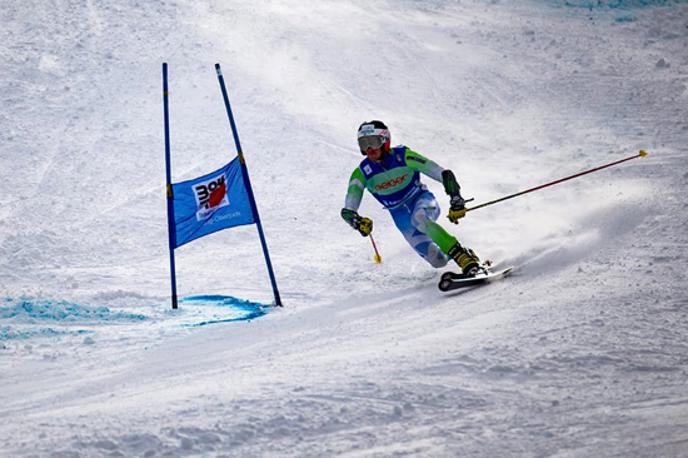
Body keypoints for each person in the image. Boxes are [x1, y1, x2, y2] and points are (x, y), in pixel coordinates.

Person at [341, 120, 482, 275]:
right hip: (400, 217)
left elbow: (442, 173)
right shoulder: (362, 173)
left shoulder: (403, 156)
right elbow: (348, 210)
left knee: (420, 218)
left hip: (422, 199)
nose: (369, 149)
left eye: (373, 142)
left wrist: (456, 197)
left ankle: (462, 256)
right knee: (437, 260)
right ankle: (461, 253)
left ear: (385, 142)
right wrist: (357, 221)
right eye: (363, 144)